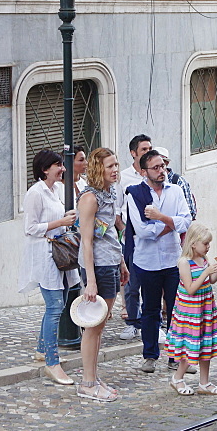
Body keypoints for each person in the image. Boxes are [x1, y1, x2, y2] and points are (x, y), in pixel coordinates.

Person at [126, 150, 192, 373]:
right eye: (156, 168)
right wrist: (171, 225)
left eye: (163, 166)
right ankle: (150, 355)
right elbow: (142, 231)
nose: (162, 171)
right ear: (144, 172)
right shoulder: (135, 194)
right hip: (147, 261)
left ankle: (176, 357)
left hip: (173, 259)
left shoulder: (176, 191)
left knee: (177, 309)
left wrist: (162, 219)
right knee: (151, 309)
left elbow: (187, 221)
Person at [18, 150, 79, 387]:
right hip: (44, 255)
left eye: (62, 165)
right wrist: (60, 222)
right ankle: (52, 363)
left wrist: (67, 218)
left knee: (59, 304)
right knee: (55, 307)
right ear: (45, 169)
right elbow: (30, 228)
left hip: (60, 254)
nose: (62, 168)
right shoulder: (35, 193)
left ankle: (42, 350)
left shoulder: (56, 191)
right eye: (58, 165)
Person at [75, 147, 129, 402]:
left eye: (116, 165)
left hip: (109, 262)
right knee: (94, 326)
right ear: (99, 169)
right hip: (96, 267)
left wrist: (121, 263)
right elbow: (87, 242)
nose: (115, 169)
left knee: (101, 325)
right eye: (110, 166)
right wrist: (91, 282)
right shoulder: (89, 199)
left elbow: (108, 235)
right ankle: (87, 383)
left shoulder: (110, 193)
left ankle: (93, 377)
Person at [165, 223, 217, 395]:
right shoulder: (184, 262)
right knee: (190, 346)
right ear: (193, 243)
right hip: (190, 312)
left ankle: (204, 383)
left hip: (205, 309)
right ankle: (177, 378)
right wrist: (206, 272)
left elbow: (211, 281)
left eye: (209, 244)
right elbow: (191, 288)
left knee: (205, 345)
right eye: (205, 244)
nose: (208, 247)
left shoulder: (204, 259)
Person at [117, 134, 154, 341]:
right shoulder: (123, 177)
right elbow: (117, 210)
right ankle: (132, 322)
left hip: (151, 238)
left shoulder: (155, 174)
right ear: (133, 153)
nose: (148, 152)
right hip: (130, 239)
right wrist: (125, 232)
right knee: (131, 285)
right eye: (143, 150)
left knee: (151, 284)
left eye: (150, 149)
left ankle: (151, 322)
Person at [154, 147, 197, 221]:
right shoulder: (147, 182)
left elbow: (190, 212)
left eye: (160, 165)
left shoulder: (178, 182)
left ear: (166, 163)